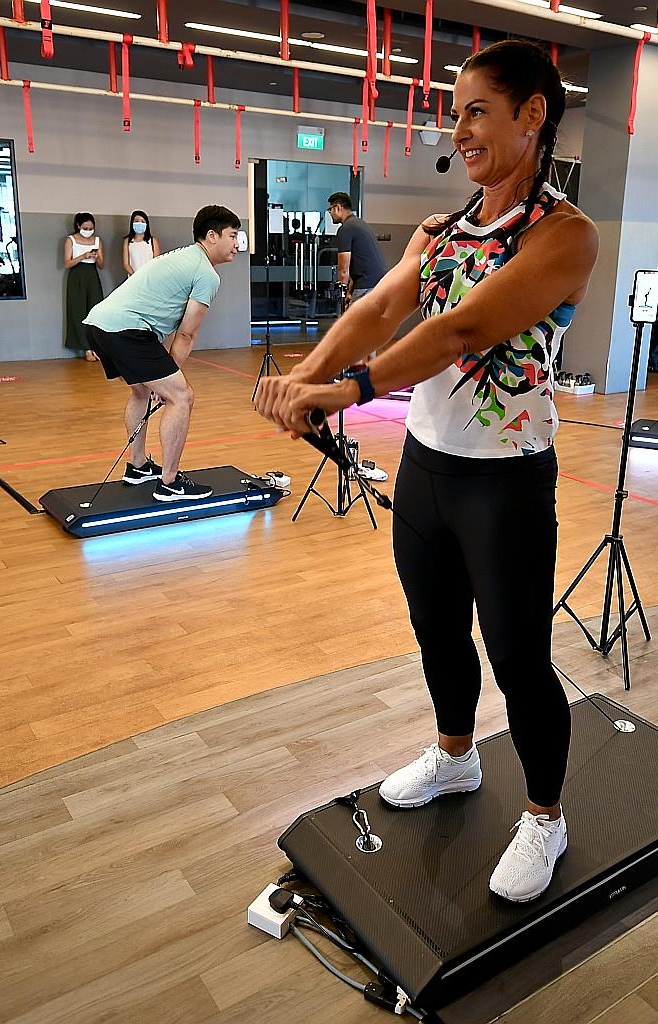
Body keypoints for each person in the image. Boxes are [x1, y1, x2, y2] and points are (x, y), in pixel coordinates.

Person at [255, 39, 597, 903]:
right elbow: (377, 307)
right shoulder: (441, 232)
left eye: (479, 109)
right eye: (456, 113)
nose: (462, 128)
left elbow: (462, 332)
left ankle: (547, 818)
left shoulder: (564, 235)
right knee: (437, 628)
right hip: (429, 471)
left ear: (533, 114)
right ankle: (455, 759)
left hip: (507, 479)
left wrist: (341, 392)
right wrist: (302, 377)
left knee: (518, 656)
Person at [83, 205, 241, 502]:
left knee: (142, 391)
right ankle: (170, 483)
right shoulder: (206, 274)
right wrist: (170, 377)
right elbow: (186, 334)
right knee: (181, 396)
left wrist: (161, 379)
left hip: (98, 324)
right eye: (232, 236)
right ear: (212, 236)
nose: (236, 244)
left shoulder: (181, 256)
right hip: (126, 330)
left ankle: (138, 466)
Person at [326, 192, 388, 303]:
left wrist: (342, 296)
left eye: (330, 209)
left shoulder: (345, 229)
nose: (330, 213)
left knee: (352, 319)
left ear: (338, 208)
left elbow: (344, 270)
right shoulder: (360, 223)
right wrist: (350, 292)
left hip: (367, 285)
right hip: (378, 282)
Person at [64, 212, 105, 362]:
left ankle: (97, 347)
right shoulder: (71, 240)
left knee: (95, 311)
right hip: (77, 276)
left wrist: (96, 257)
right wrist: (83, 256)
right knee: (78, 311)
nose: (89, 230)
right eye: (85, 227)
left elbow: (101, 265)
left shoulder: (98, 241)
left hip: (92, 276)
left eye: (91, 227)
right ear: (78, 226)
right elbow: (67, 263)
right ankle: (86, 348)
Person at [122, 209, 161, 277]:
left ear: (146, 224)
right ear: (132, 223)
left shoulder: (152, 241)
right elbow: (126, 264)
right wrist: (135, 276)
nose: (140, 223)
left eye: (143, 221)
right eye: (136, 221)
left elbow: (156, 262)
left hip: (150, 277)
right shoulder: (127, 241)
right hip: (133, 278)